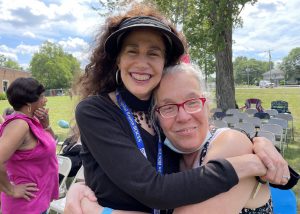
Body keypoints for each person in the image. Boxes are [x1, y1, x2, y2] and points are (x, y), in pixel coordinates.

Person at [65, 3, 289, 214]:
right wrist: (248, 164)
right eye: (132, 51)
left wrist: (259, 143)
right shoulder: (95, 110)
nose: (142, 63)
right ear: (118, 60)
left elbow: (207, 138)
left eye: (153, 53)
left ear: (165, 63)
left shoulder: (163, 112)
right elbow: (151, 189)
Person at [0, 77, 59, 214]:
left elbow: (50, 145)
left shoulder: (32, 121)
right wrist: (11, 190)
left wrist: (47, 126)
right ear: (29, 103)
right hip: (25, 206)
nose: (45, 100)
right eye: (42, 96)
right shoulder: (19, 125)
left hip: (38, 200)